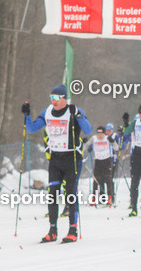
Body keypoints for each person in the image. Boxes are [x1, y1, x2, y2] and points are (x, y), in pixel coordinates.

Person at [22, 84, 92, 242]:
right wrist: (27, 115)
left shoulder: (74, 110)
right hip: (55, 159)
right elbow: (31, 128)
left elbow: (88, 130)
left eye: (56, 98)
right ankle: (52, 230)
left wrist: (78, 116)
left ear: (64, 99)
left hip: (72, 157)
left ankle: (73, 230)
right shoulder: (47, 112)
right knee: (52, 194)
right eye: (51, 97)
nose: (53, 101)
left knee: (70, 194)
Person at [86, 124, 115, 207]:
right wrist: (88, 147)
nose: (100, 135)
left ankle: (110, 198)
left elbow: (116, 147)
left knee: (108, 179)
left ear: (104, 133)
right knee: (96, 180)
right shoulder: (94, 138)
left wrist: (113, 141)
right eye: (98, 133)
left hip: (107, 161)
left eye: (101, 133)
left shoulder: (107, 138)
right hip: (98, 161)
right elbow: (87, 145)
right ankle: (94, 198)